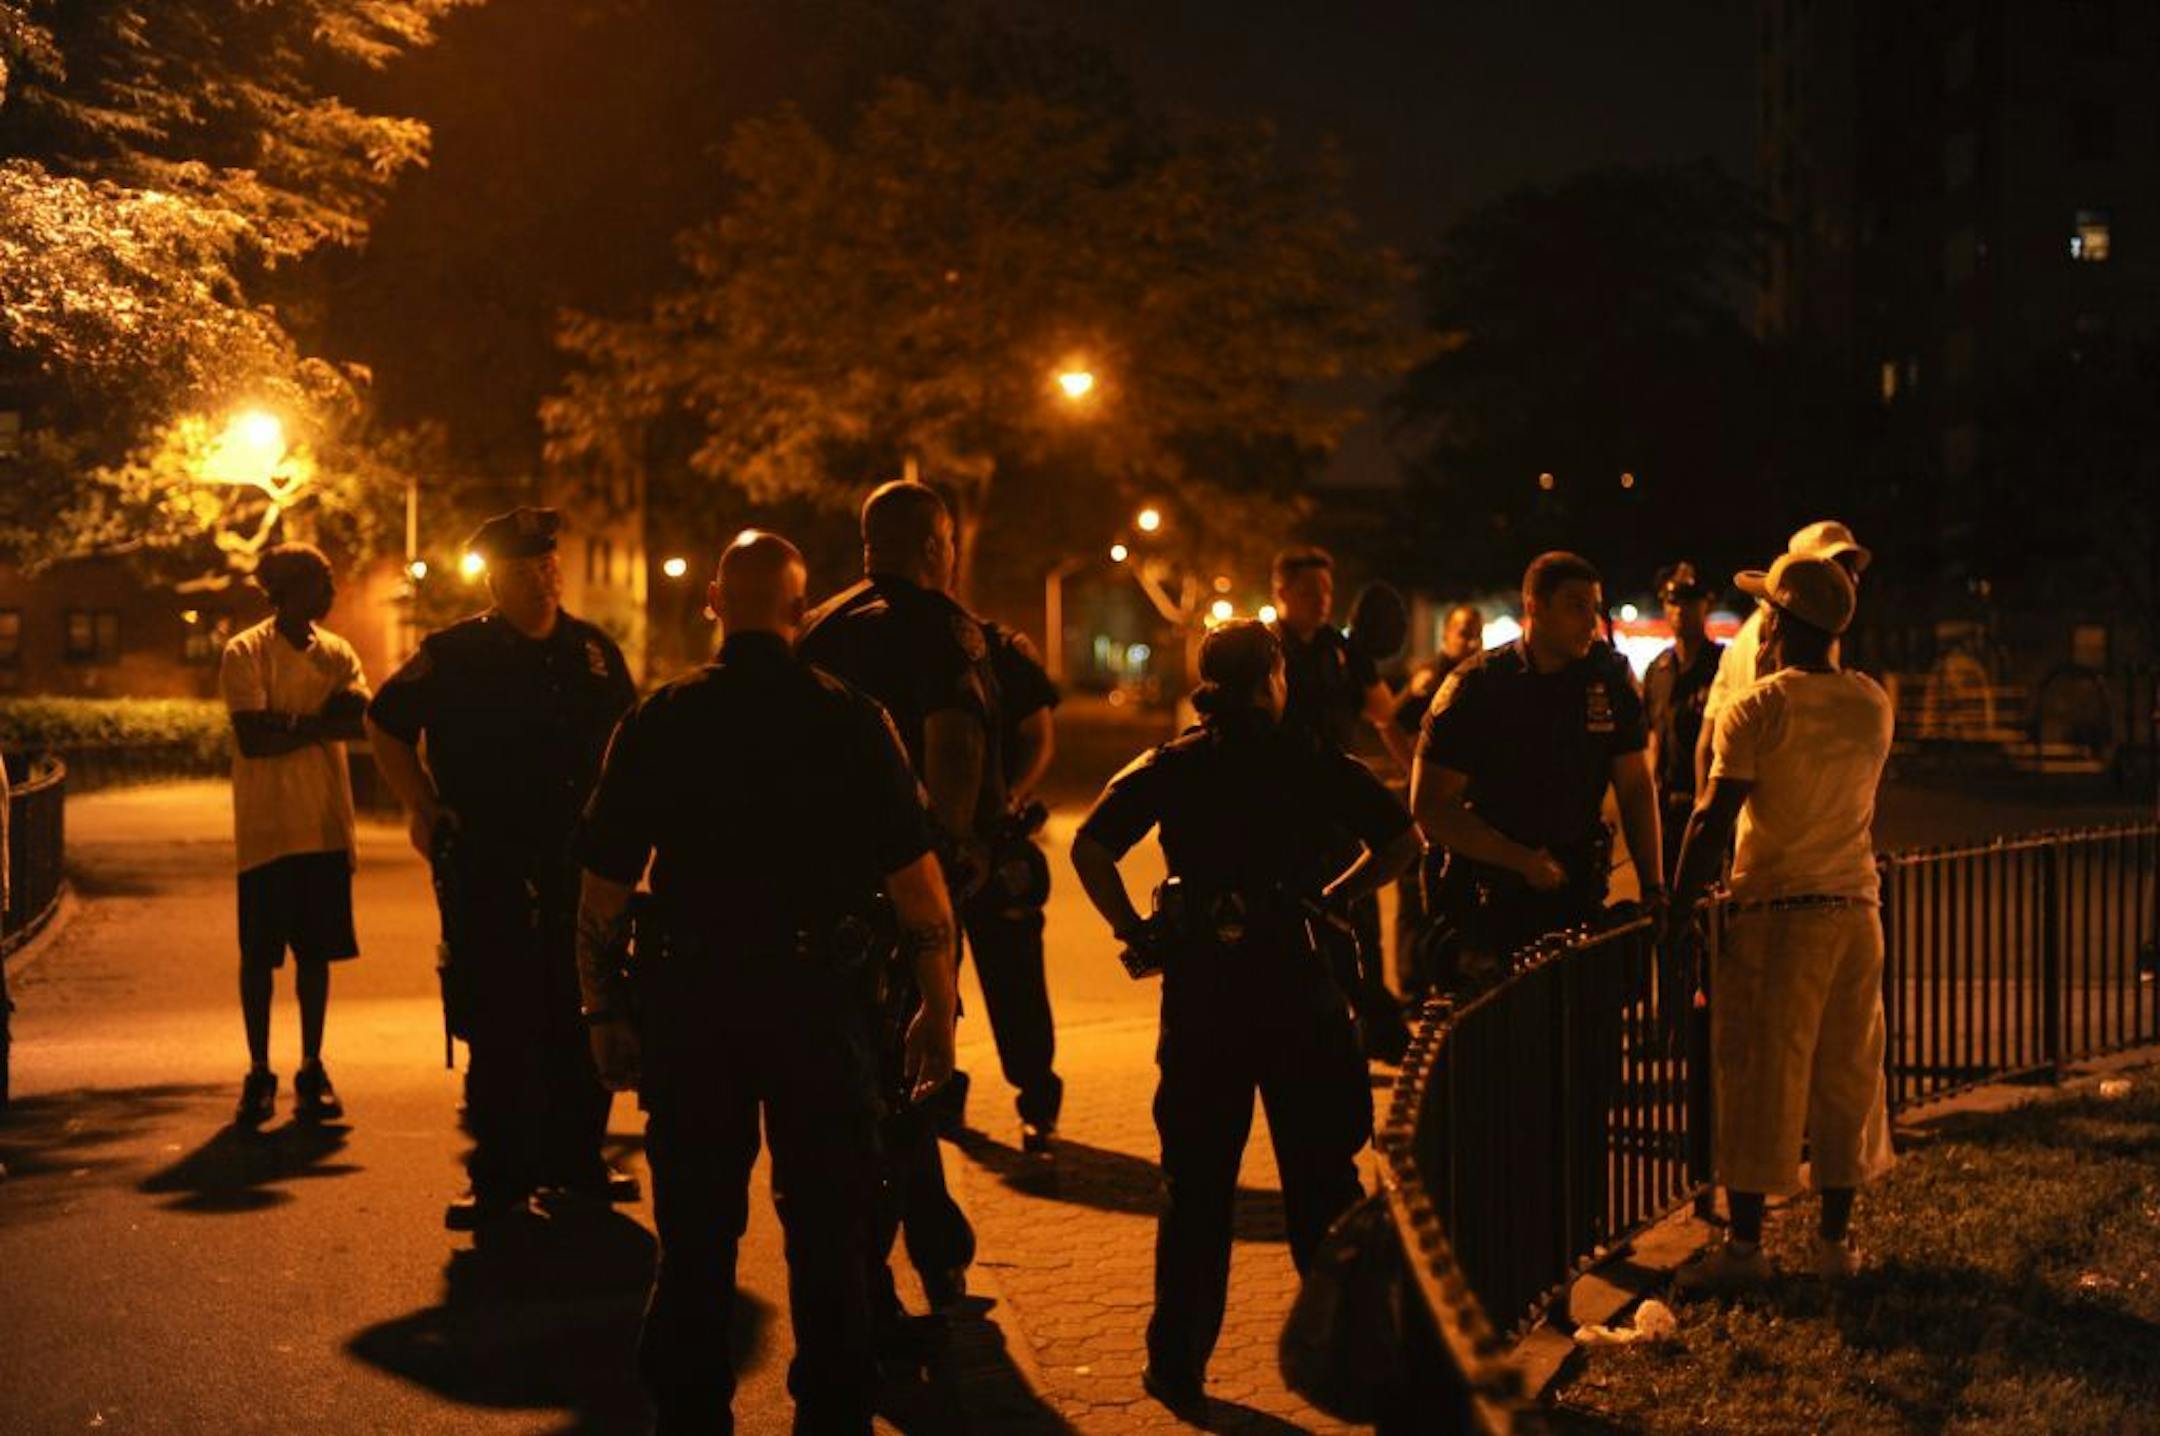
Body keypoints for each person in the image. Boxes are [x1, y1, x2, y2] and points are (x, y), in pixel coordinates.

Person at [573, 530, 959, 1434]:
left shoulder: (661, 719)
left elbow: (600, 891)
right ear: (799, 610)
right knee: (830, 1236)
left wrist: (602, 1011)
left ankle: (691, 1412)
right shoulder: (852, 718)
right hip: (819, 1008)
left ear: (714, 602)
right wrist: (937, 1010)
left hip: (693, 1005)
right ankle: (832, 1411)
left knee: (697, 1239)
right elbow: (918, 888)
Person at [1070, 620, 1419, 1419]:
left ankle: (1178, 1365)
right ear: (1271, 680)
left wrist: (1137, 931)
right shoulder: (1313, 761)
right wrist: (1337, 898)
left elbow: (1090, 846)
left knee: (1195, 1190)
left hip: (1205, 1000)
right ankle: (1353, 1358)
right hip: (1302, 993)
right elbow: (1402, 840)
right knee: (1323, 1190)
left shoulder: (1177, 763)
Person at [366, 505, 639, 1231]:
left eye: (549, 564)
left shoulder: (593, 652)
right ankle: (499, 1178)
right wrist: (422, 807)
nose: (544, 577)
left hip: (578, 863)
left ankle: (577, 1159)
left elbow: (630, 745)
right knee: (499, 1014)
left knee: (584, 1004)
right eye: (524, 569)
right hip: (490, 860)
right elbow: (386, 723)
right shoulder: (456, 654)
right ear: (494, 580)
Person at [1666, 552, 1894, 1292]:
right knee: (1845, 1076)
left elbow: (1712, 818)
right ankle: (1834, 1243)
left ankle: (1746, 1247)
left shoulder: (1758, 708)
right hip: (1856, 909)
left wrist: (1676, 912)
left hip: (1780, 912)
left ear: (1783, 624)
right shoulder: (1871, 703)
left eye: (1768, 613)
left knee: (1762, 1074)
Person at [797, 479, 991, 1312]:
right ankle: (914, 1259)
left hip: (832, 885)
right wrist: (944, 852)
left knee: (865, 1062)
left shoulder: (823, 626)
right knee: (916, 1056)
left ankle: (930, 1240)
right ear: (935, 544)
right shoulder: (944, 629)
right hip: (910, 887)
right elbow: (954, 744)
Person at [1410, 552, 1663, 970]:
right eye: (1576, 606)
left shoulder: (1609, 679)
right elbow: (1431, 805)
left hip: (1575, 890)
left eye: (1595, 608)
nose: (1591, 622)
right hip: (1488, 900)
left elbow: (1635, 785)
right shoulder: (1478, 686)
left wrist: (1653, 885)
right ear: (1534, 607)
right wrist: (1521, 860)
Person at [219, 543, 370, 1126]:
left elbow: (357, 716)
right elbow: (252, 738)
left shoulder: (339, 652)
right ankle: (259, 1069)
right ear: (286, 589)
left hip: (325, 826)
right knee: (258, 958)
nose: (331, 594)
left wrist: (288, 721)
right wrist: (318, 723)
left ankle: (311, 1063)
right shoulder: (246, 651)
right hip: (265, 828)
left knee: (316, 956)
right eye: (320, 581)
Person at [963, 618, 1064, 1153]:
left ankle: (1037, 1103)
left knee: (1016, 983)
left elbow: (1037, 733)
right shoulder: (867, 631)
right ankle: (935, 1103)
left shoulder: (996, 648)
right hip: (912, 847)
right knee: (915, 990)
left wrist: (1008, 803)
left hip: (995, 843)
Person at [1695, 520, 1871, 795]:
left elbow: (1710, 741)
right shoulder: (1784, 638)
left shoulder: (1799, 634)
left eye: (1850, 568)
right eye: (1836, 566)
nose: (1849, 579)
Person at [1391, 602, 1482, 989]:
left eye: (1477, 632)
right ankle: (1413, 984)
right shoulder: (1433, 676)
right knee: (1416, 896)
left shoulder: (1478, 676)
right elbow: (1390, 720)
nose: (1472, 639)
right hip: (1427, 805)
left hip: (1458, 804)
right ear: (1446, 635)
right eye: (1464, 632)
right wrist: (1414, 772)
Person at [1269, 546, 1413, 772]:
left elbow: (1382, 712)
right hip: (1282, 778)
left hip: (1339, 779)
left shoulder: (1339, 647)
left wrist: (1362, 661)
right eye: (1309, 592)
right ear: (1282, 593)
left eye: (1327, 591)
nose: (1322, 600)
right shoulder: (1266, 648)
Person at [1643, 563, 1724, 887]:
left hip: (1707, 805)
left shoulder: (1722, 665)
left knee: (1706, 899)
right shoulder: (1657, 670)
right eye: (1673, 602)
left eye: (1690, 602)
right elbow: (1651, 737)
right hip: (1665, 808)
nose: (1680, 611)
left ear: (1707, 605)